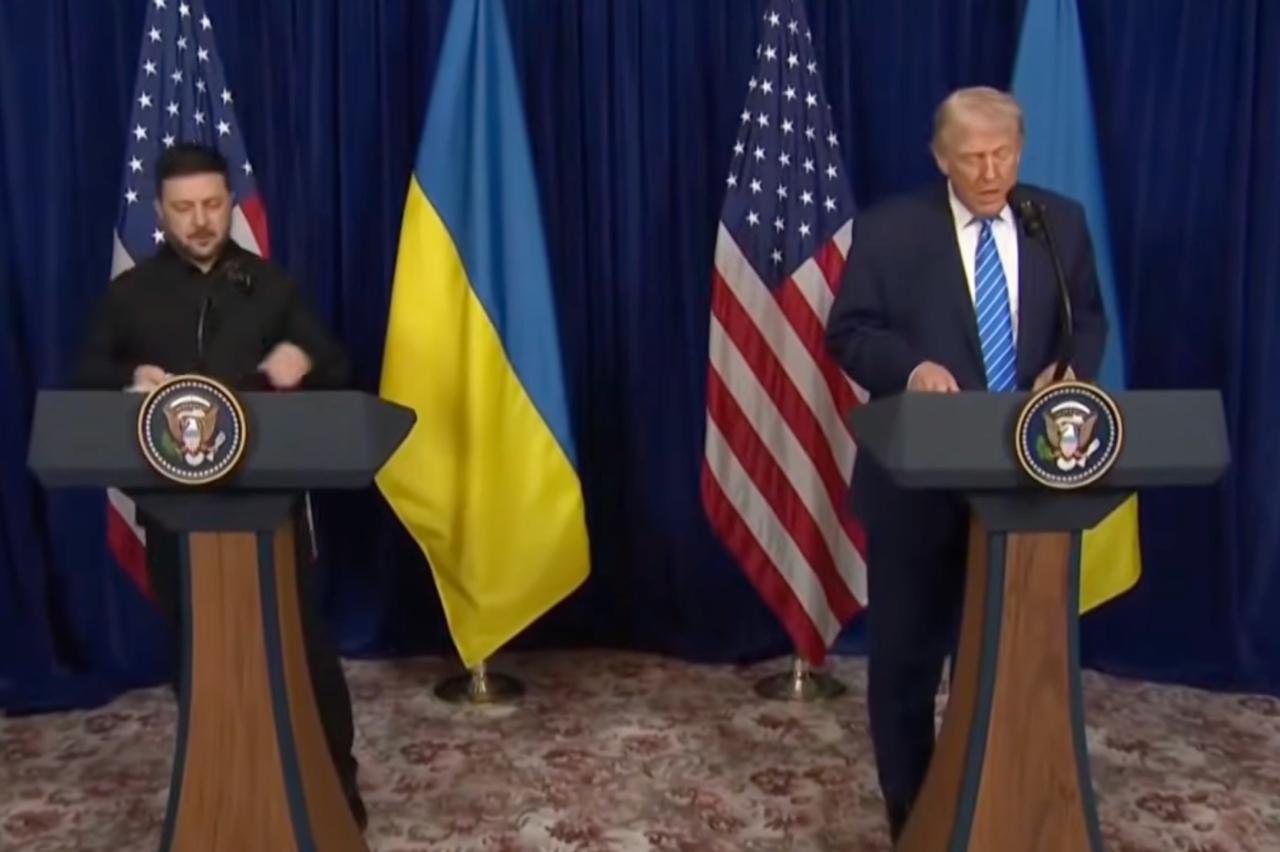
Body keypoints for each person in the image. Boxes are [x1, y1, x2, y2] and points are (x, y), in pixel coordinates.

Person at [824, 87, 1108, 842]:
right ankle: (915, 817)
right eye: (974, 157)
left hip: (1027, 483)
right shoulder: (891, 230)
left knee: (1005, 659)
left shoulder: (1057, 223)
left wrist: (1071, 372)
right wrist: (912, 368)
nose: (990, 173)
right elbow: (849, 332)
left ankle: (1000, 806)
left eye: (1003, 155)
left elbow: (1087, 320)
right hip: (919, 487)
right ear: (940, 157)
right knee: (908, 664)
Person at [73, 143, 366, 830]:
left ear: (231, 203)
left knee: (302, 648)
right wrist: (131, 377)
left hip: (270, 511)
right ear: (159, 212)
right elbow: (84, 372)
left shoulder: (270, 286)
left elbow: (336, 364)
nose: (200, 220)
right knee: (199, 654)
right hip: (174, 513)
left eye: (211, 204)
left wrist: (303, 358)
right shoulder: (131, 294)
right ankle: (222, 784)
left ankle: (335, 787)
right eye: (184, 208)